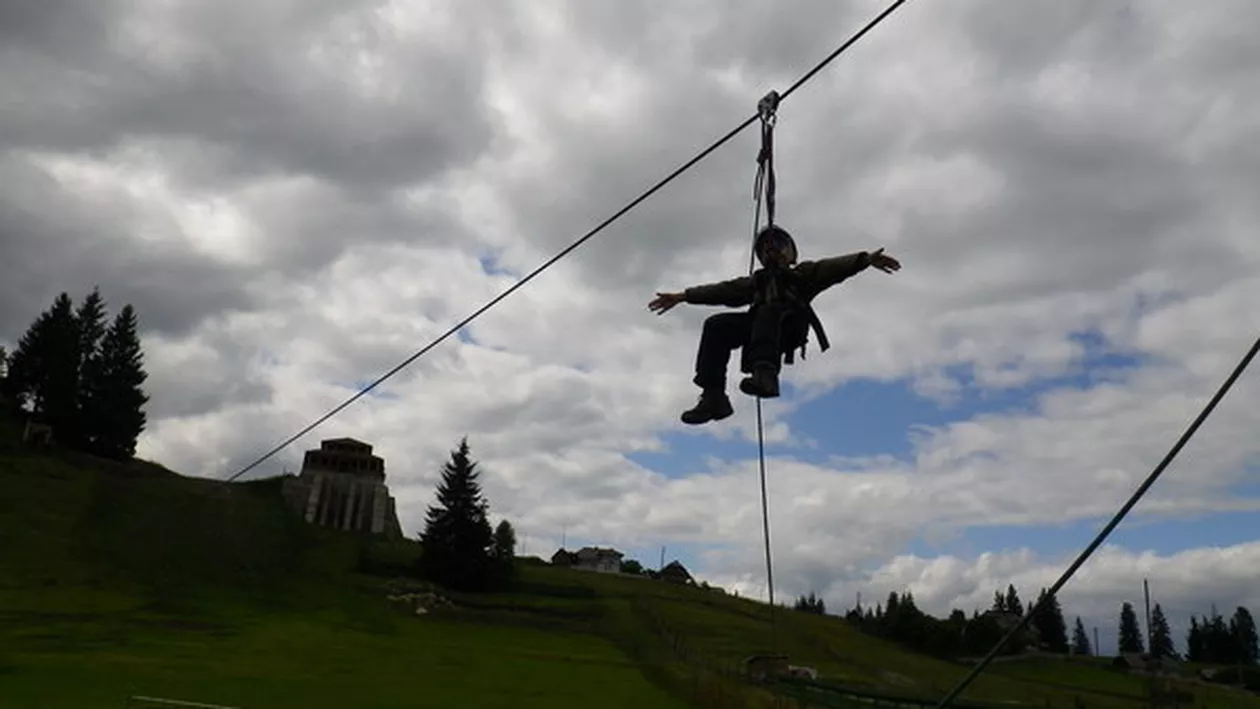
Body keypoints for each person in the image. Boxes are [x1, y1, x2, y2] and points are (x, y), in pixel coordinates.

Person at [648, 225, 901, 425]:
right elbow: (723, 290)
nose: (772, 249)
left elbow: (832, 268)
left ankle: (766, 376)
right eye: (765, 248)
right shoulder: (756, 283)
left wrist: (865, 260)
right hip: (761, 330)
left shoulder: (803, 274)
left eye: (780, 244)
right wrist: (683, 296)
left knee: (769, 311)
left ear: (792, 255)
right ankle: (714, 397)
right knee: (717, 325)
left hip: (789, 326)